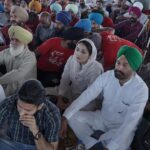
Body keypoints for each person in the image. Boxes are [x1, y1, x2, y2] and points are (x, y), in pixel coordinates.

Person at [60, 45, 148, 150]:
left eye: (125, 65)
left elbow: (130, 123)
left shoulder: (140, 89)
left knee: (120, 144)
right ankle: (94, 144)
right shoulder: (108, 76)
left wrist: (110, 147)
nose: (119, 67)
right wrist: (65, 116)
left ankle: (92, 143)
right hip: (101, 118)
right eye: (118, 63)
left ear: (134, 68)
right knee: (73, 117)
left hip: (120, 127)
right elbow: (87, 95)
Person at [0, 79, 61, 150]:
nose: (21, 113)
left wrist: (35, 131)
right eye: (19, 106)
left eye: (28, 110)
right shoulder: (8, 102)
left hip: (34, 146)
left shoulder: (52, 113)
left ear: (40, 106)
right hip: (9, 142)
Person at [57, 38, 103, 111]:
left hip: (89, 99)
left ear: (90, 55)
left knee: (74, 116)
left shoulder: (96, 68)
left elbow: (91, 93)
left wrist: (71, 105)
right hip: (73, 92)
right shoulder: (72, 59)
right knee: (49, 95)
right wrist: (60, 96)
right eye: (77, 49)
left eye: (83, 52)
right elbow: (65, 79)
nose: (78, 54)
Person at [0, 25, 36, 96]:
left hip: (25, 89)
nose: (13, 42)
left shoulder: (30, 57)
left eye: (17, 40)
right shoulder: (8, 51)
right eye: (12, 39)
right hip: (10, 83)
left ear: (24, 42)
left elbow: (18, 74)